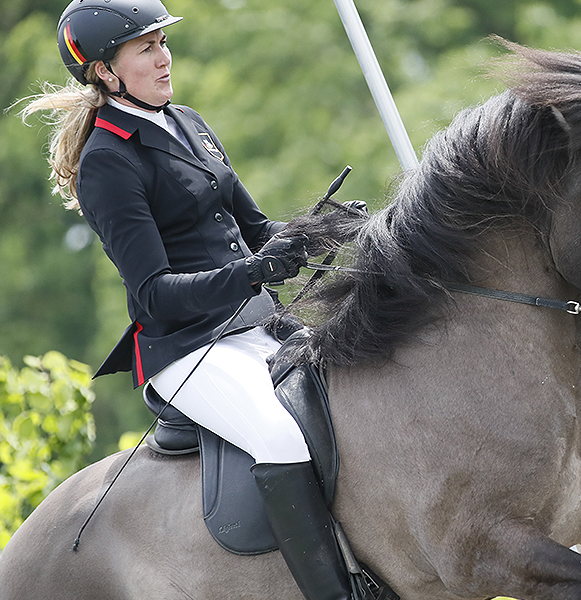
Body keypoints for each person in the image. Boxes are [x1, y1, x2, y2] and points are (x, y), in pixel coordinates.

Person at [20, 2, 350, 598]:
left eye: (162, 42)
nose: (164, 57)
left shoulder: (188, 122)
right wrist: (253, 274)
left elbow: (255, 229)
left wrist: (316, 232)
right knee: (279, 437)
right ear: (104, 72)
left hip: (255, 324)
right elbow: (154, 294)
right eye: (145, 49)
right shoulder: (107, 161)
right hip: (187, 350)